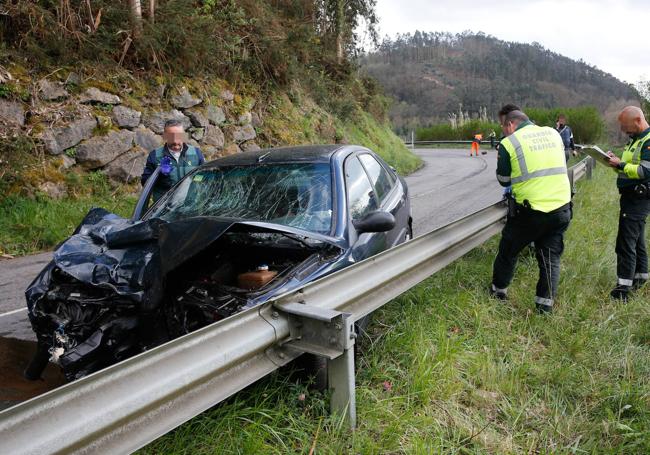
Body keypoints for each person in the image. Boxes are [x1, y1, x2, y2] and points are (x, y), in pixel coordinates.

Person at [490, 106, 572, 314]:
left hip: (530, 212)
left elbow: (503, 180)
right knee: (550, 258)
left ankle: (498, 292)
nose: (504, 131)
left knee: (509, 250)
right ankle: (545, 308)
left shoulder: (509, 143)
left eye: (503, 126)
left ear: (510, 124)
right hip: (561, 208)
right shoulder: (553, 134)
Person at [605, 106, 650, 301]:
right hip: (632, 198)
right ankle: (641, 278)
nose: (625, 131)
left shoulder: (648, 142)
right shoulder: (635, 140)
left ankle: (622, 290)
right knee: (637, 241)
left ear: (639, 120)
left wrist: (620, 164)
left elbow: (644, 172)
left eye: (627, 127)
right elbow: (628, 170)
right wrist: (614, 163)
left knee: (625, 244)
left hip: (637, 199)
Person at [141, 119, 205, 201]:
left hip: (190, 208)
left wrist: (195, 180)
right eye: (171, 137)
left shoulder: (196, 153)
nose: (175, 141)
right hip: (164, 209)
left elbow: (203, 176)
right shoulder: (155, 156)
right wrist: (159, 175)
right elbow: (145, 183)